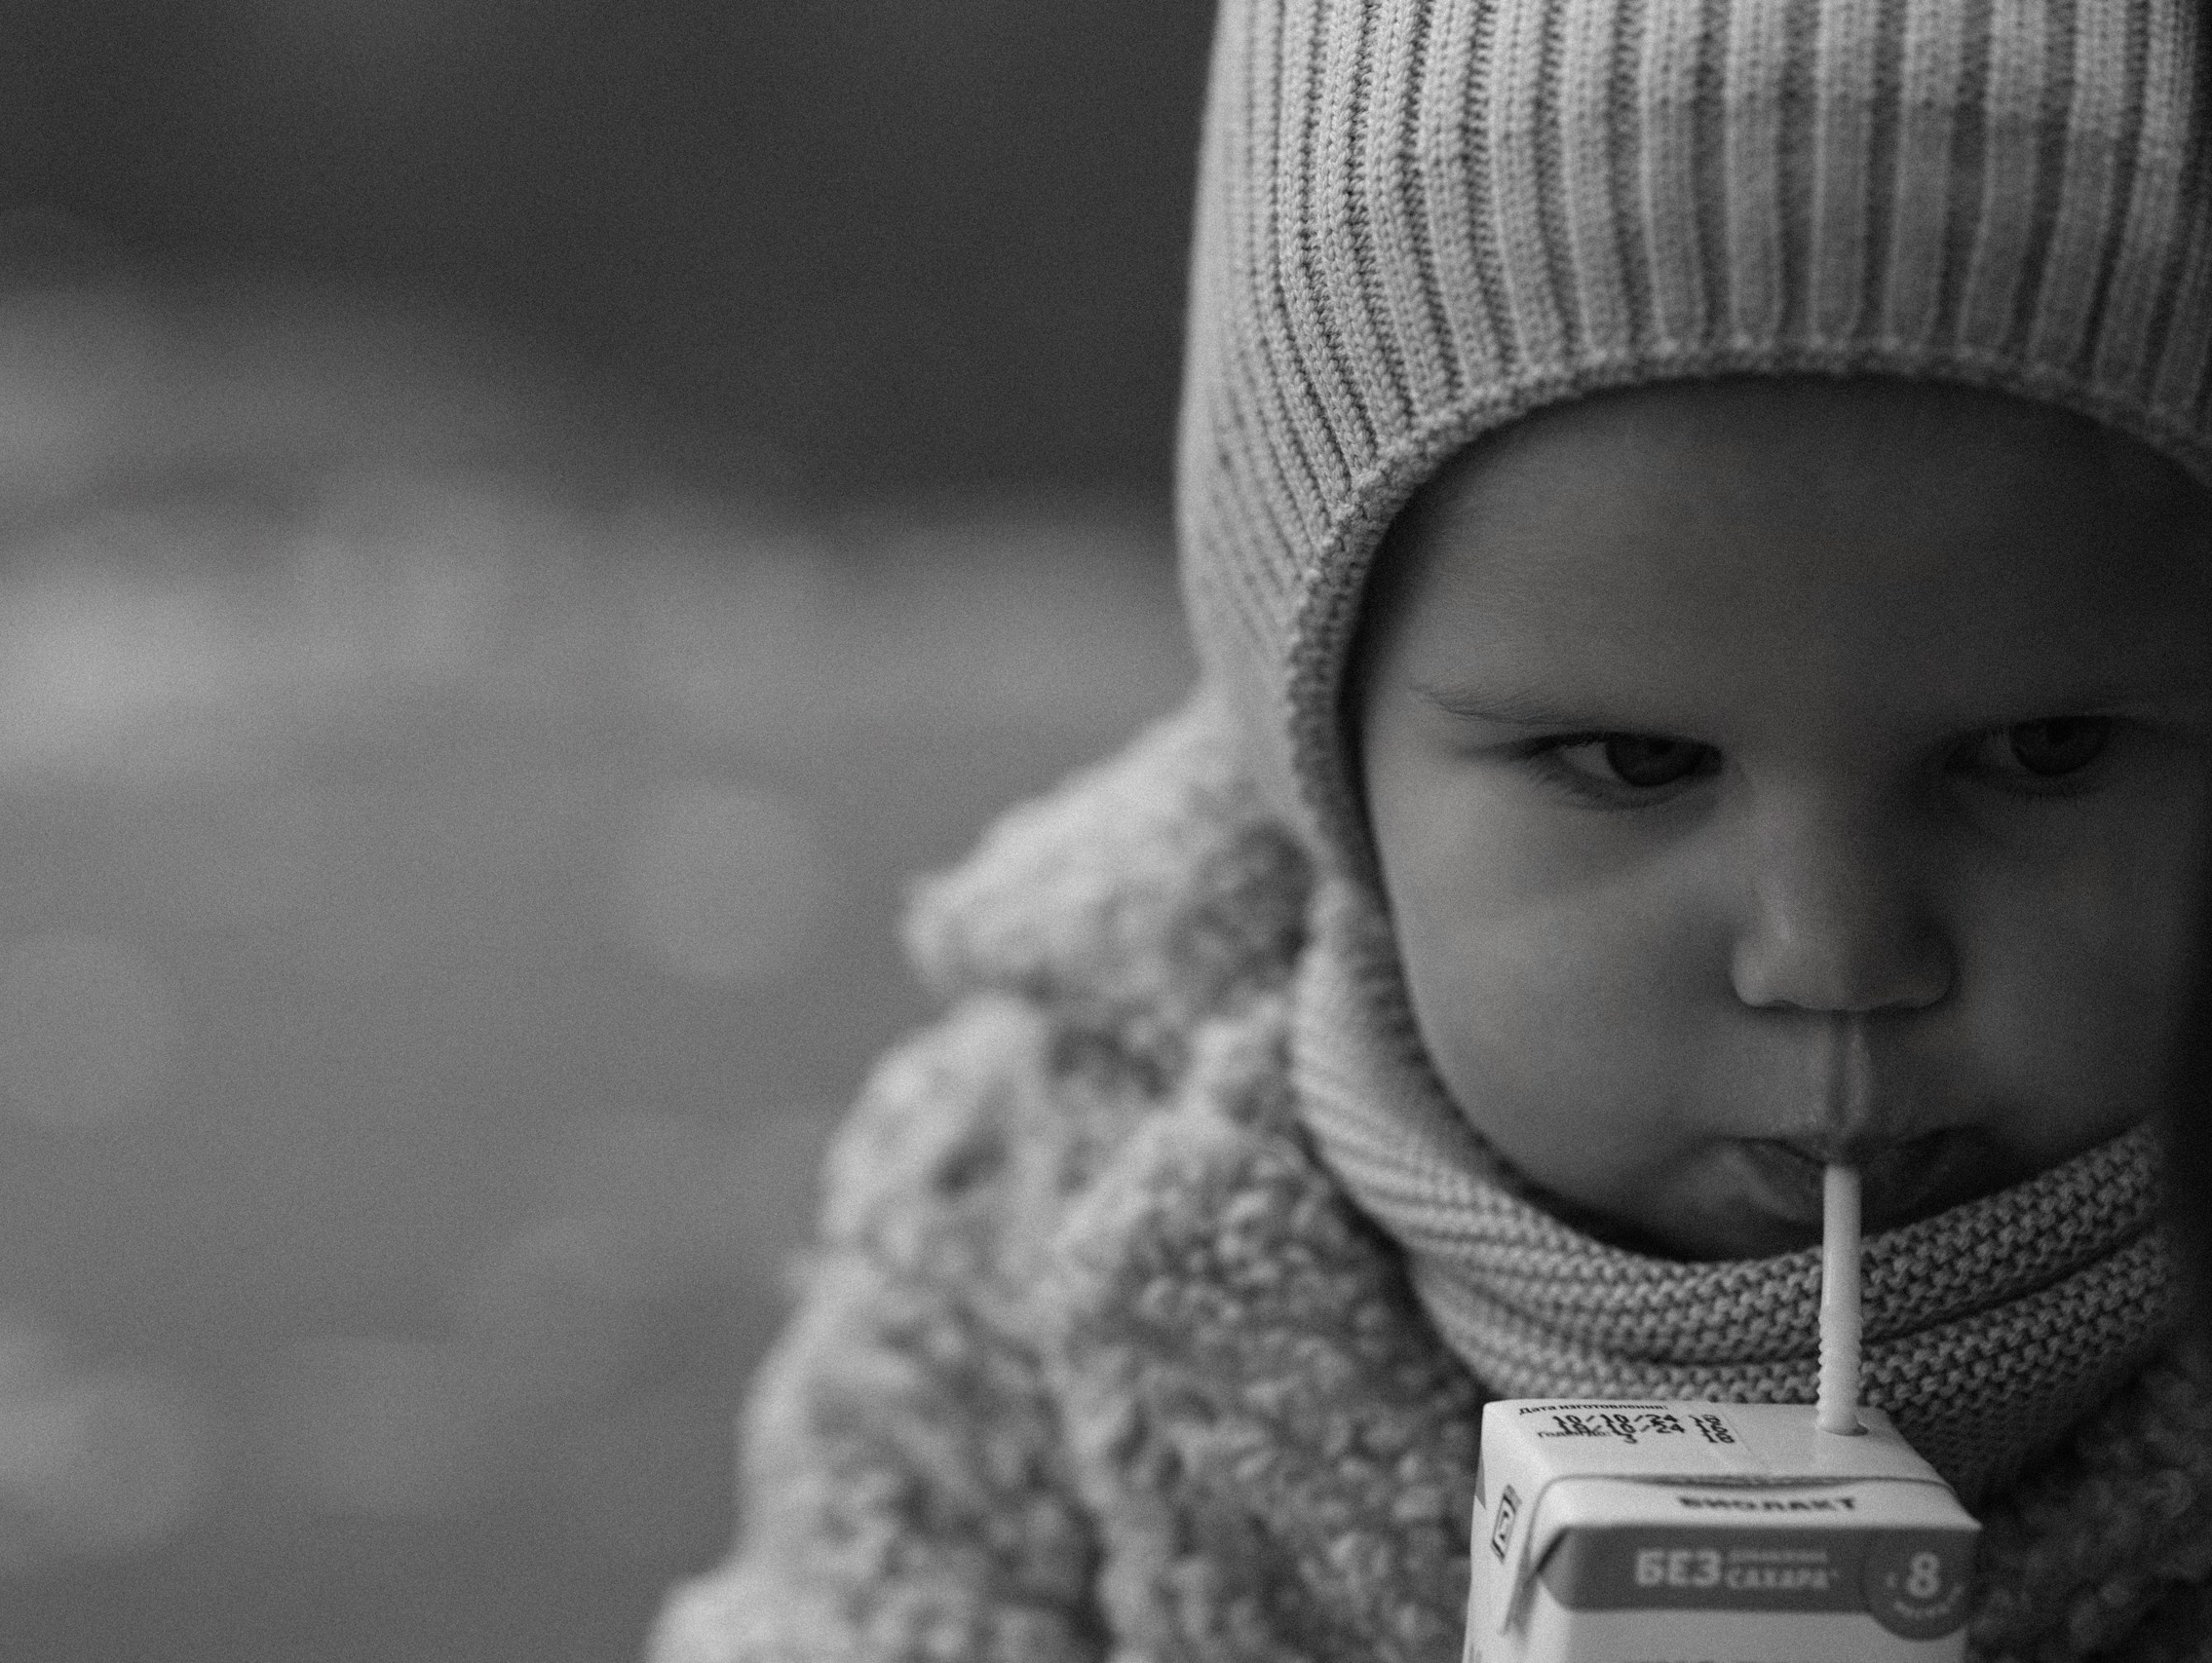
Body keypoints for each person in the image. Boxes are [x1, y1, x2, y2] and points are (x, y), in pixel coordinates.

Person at [650, 0, 2212, 1656]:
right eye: (1632, 760)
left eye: (2044, 752)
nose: (1833, 953)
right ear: (1321, 748)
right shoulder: (1032, 1210)